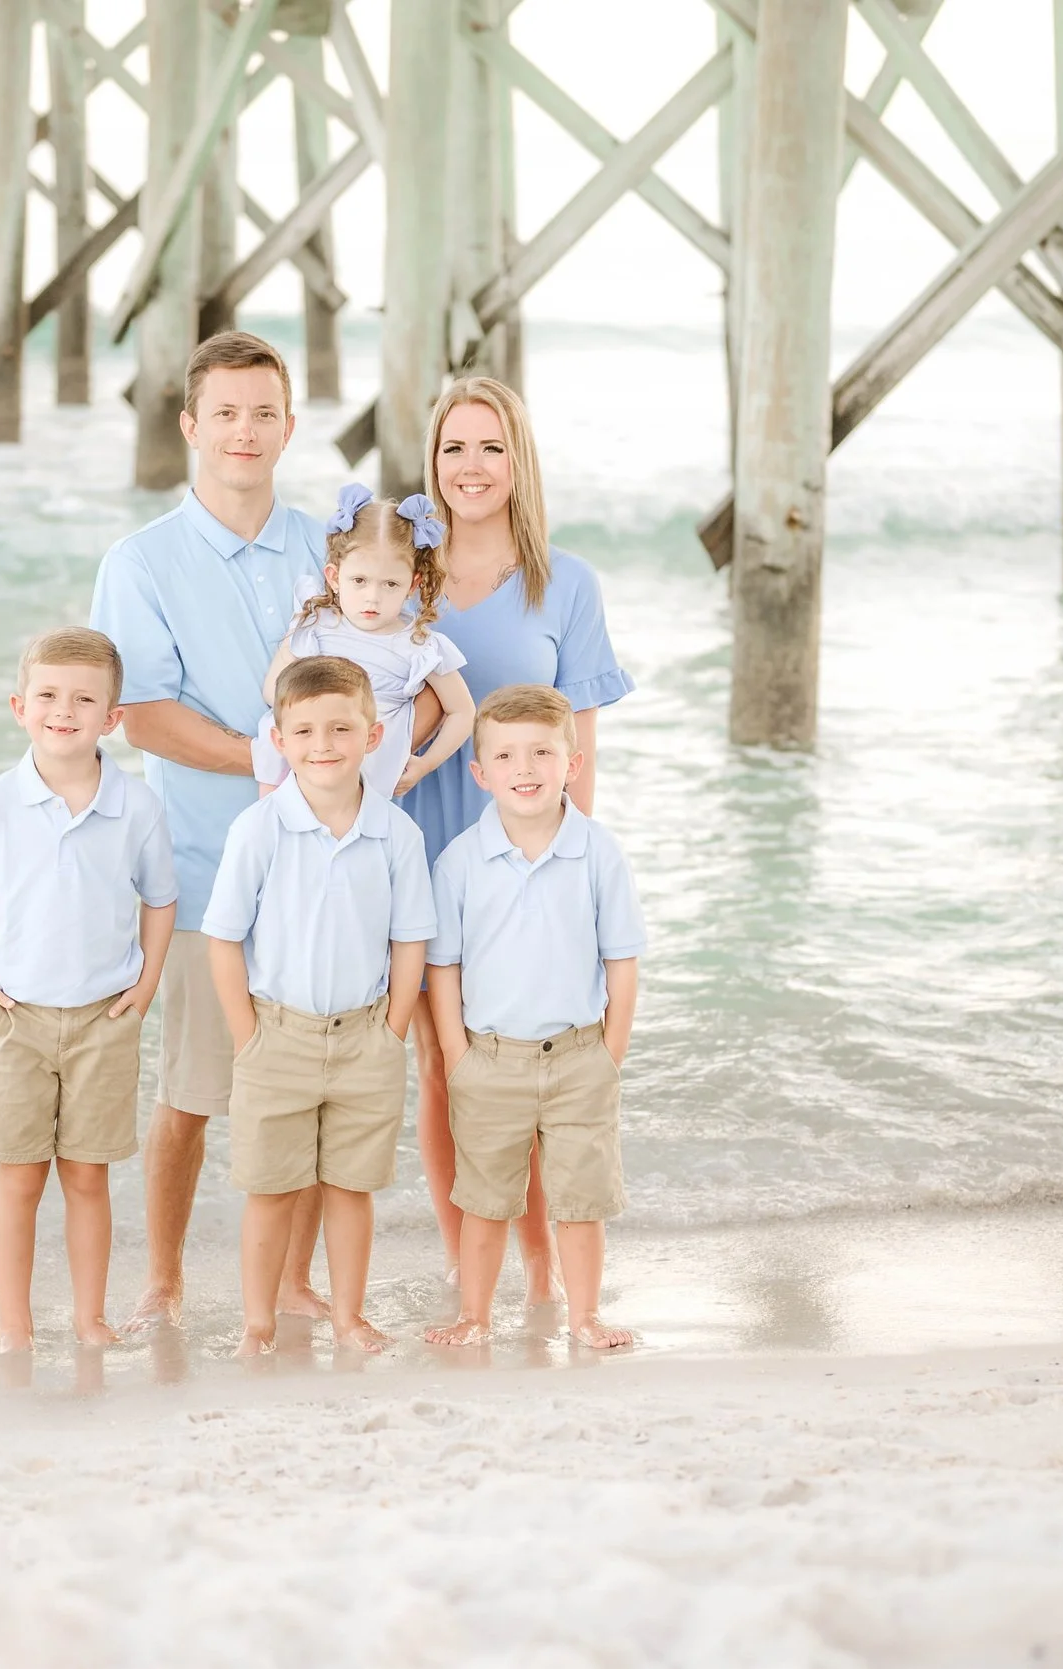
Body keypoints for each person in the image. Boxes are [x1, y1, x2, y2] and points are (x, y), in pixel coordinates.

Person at [87, 331, 333, 1331]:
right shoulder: (141, 562)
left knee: (311, 1090)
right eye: (225, 413)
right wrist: (270, 762)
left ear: (288, 426)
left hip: (327, 869)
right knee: (190, 1093)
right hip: (204, 869)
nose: (245, 431)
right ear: (190, 426)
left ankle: (294, 1282)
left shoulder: (327, 549)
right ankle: (164, 1281)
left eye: (263, 413)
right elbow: (142, 716)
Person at [399, 376, 635, 1293]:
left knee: (538, 1064)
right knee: (444, 1064)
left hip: (533, 860)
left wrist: (576, 873)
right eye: (454, 447)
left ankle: (541, 1270)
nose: (472, 466)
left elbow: (581, 747)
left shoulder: (565, 584)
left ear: (519, 461)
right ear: (433, 462)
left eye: (491, 447)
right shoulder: (403, 577)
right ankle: (466, 1263)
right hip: (417, 848)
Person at [0, 629, 178, 1352]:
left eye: (83, 699)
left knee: (86, 1177)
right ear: (20, 707)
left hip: (105, 1018)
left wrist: (147, 982)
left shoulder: (137, 806)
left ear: (113, 717)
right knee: (18, 1180)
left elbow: (160, 897)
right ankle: (14, 1323)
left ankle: (89, 1318)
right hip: (16, 1019)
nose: (63, 710)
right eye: (46, 695)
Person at [202, 657, 435, 1355]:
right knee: (270, 1189)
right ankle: (258, 1324)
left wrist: (393, 1030)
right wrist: (248, 1036)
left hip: (367, 1036)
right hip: (277, 1034)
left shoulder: (397, 833)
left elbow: (410, 940)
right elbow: (223, 939)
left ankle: (348, 1317)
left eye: (341, 728)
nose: (323, 744)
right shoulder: (259, 828)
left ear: (373, 735)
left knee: (351, 1188)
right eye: (303, 731)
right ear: (278, 740)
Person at [421, 686, 641, 1351]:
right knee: (484, 1199)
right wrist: (457, 1056)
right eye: (506, 755)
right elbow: (443, 968)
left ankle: (584, 1316)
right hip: (489, 1060)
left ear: (572, 764)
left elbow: (622, 960)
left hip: (580, 1057)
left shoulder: (598, 851)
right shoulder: (460, 861)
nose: (525, 768)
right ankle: (475, 1316)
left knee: (581, 1200)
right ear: (480, 772)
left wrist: (610, 1052)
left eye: (542, 752)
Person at [250, 483, 477, 802]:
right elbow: (272, 690)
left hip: (366, 773)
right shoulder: (318, 623)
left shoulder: (418, 645)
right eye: (359, 580)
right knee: (271, 729)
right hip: (308, 752)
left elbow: (462, 711)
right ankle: (272, 812)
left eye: (390, 584)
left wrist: (426, 763)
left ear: (412, 585)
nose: (373, 597)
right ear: (334, 576)